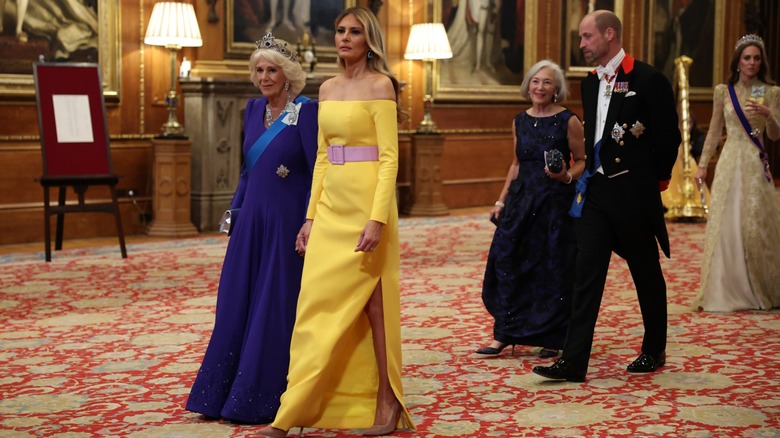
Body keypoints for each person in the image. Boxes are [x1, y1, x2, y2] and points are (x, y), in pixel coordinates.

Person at [258, 6, 414, 437]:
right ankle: (294, 411)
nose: (344, 38)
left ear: (369, 40)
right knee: (313, 307)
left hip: (368, 204)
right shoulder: (325, 89)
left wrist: (377, 219)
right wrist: (310, 217)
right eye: (340, 31)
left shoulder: (382, 85)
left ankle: (388, 402)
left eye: (354, 32)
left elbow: (388, 160)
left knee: (374, 307)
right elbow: (323, 160)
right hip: (330, 207)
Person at [533, 10, 681, 382]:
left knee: (644, 269)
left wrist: (654, 181)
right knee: (586, 274)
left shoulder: (648, 79)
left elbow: (668, 139)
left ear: (609, 34)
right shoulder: (589, 82)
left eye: (586, 37)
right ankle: (574, 360)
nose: (581, 44)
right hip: (596, 192)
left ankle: (653, 349)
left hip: (632, 192)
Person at [185, 34, 318, 424]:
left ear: (288, 74)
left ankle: (261, 397)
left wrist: (310, 220)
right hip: (252, 219)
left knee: (273, 303)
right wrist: (235, 211)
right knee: (236, 299)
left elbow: (316, 172)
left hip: (285, 220)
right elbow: (247, 169)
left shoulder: (307, 112)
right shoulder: (251, 108)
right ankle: (219, 394)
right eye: (259, 70)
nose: (264, 77)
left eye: (272, 69)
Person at [477, 59, 585, 359]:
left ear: (556, 89)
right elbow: (516, 163)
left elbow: (583, 160)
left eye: (547, 82)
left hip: (554, 203)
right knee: (508, 262)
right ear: (528, 86)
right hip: (522, 201)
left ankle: (553, 336)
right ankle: (504, 333)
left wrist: (565, 176)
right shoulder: (519, 120)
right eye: (535, 81)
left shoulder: (568, 120)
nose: (540, 87)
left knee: (551, 268)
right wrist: (501, 201)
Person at [693, 34, 780, 312]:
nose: (752, 62)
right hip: (730, 160)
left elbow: (775, 136)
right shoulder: (723, 91)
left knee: (754, 224)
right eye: (747, 57)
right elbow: (715, 130)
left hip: (755, 164)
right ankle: (724, 287)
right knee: (725, 223)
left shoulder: (771, 92)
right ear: (738, 61)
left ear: (761, 62)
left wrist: (769, 115)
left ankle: (760, 288)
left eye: (756, 58)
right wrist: (703, 164)